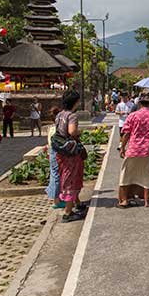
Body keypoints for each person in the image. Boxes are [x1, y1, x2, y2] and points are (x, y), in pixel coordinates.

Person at [118, 90, 149, 208]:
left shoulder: (132, 116)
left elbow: (126, 133)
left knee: (126, 174)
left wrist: (122, 147)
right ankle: (147, 201)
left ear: (139, 102)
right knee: (146, 174)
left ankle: (124, 200)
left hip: (133, 148)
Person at [54, 90, 87, 223]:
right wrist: (79, 132)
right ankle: (68, 212)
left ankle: (77, 202)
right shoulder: (72, 116)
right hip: (70, 152)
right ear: (75, 102)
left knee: (66, 176)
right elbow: (71, 131)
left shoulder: (59, 115)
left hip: (61, 150)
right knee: (71, 179)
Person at [46, 107, 65, 209]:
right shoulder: (57, 129)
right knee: (57, 176)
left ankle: (57, 198)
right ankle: (57, 200)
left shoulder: (51, 128)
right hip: (56, 153)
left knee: (55, 175)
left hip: (51, 153)